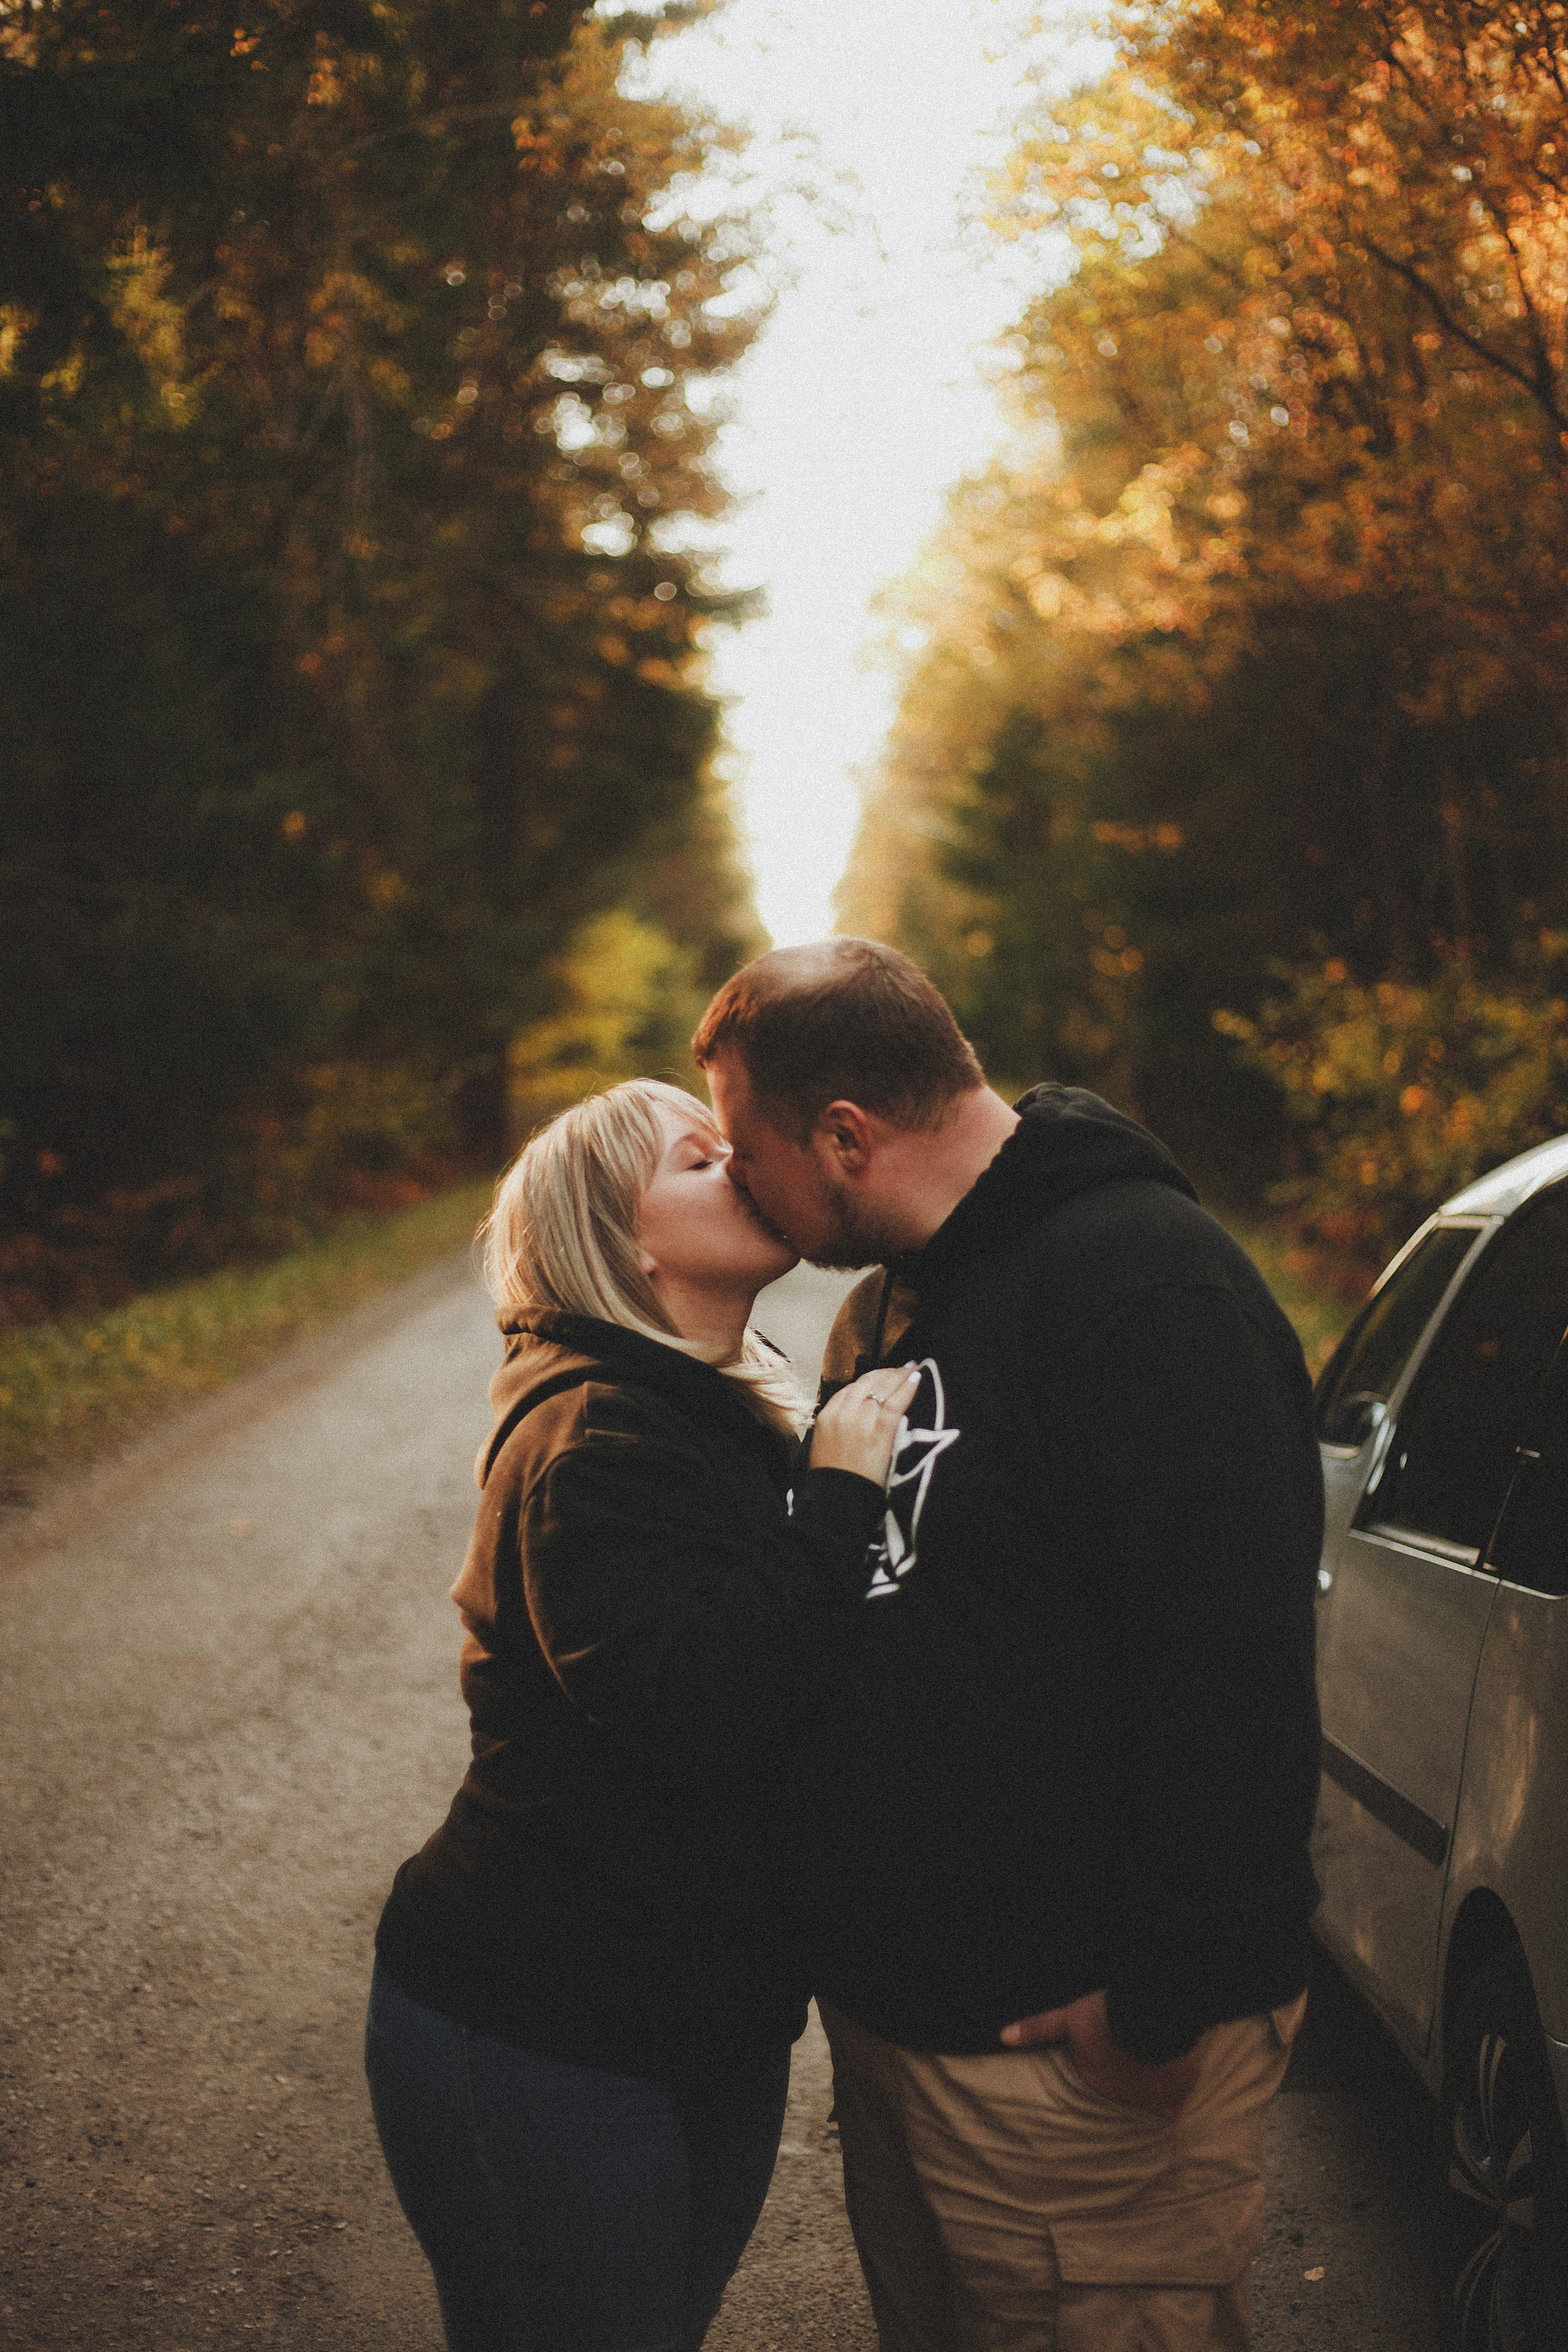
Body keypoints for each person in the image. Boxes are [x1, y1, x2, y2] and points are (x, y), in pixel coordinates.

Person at [692, 940, 1324, 2352]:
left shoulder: (1145, 1291)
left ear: (844, 1136)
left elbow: (1233, 1674)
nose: (736, 1181)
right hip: (904, 2032)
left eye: (744, 1150)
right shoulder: (893, 1302)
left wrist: (1158, 2010)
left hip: (1074, 2074)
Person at [365, 1077, 918, 2352]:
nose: (745, 1164)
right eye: (698, 1160)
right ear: (619, 1242)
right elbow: (707, 1713)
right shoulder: (594, 1433)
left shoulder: (702, 1403)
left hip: (690, 2019)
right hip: (538, 2032)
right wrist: (838, 1501)